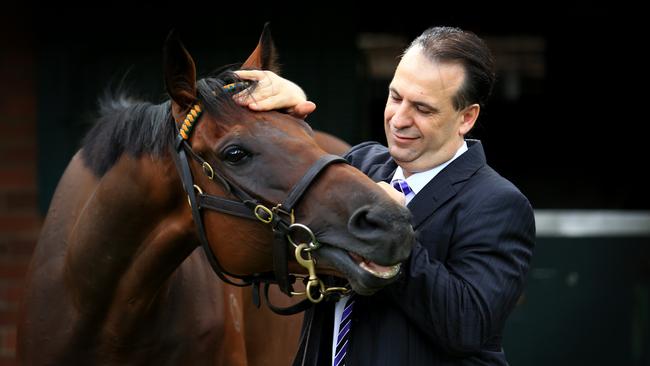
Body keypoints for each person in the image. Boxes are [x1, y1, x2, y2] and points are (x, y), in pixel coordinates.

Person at [235, 26, 535, 366]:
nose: (399, 119)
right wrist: (280, 118)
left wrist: (390, 233)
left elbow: (466, 327)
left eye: (423, 109)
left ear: (466, 118)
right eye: (395, 97)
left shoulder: (499, 203)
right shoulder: (359, 164)